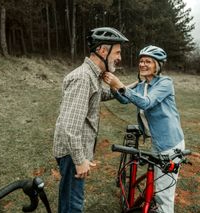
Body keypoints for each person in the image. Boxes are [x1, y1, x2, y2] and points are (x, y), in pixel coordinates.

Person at [52, 27, 128, 213]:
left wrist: (125, 87)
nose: (120, 57)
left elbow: (100, 94)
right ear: (103, 50)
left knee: (70, 199)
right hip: (72, 154)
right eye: (117, 52)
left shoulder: (92, 76)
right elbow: (69, 127)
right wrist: (80, 160)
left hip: (74, 152)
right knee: (73, 204)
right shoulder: (84, 78)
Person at [103, 45, 185, 213]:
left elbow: (146, 102)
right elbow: (125, 100)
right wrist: (113, 86)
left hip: (170, 144)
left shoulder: (165, 83)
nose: (143, 64)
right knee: (157, 184)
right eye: (141, 61)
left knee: (164, 196)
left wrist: (120, 84)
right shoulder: (142, 84)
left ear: (158, 65)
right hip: (158, 143)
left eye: (148, 61)